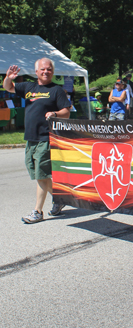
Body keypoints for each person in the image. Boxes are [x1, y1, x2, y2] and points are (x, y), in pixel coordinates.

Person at [3, 59, 71, 223]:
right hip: (30, 138)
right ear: (36, 71)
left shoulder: (56, 90)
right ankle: (60, 199)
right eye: (42, 69)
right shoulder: (28, 87)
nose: (46, 71)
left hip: (45, 137)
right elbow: (8, 87)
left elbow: (66, 112)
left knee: (41, 175)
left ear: (52, 72)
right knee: (39, 174)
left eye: (49, 69)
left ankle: (37, 211)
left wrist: (54, 113)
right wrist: (8, 77)